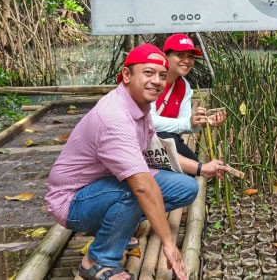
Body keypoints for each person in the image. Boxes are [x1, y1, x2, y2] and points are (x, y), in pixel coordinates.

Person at [47, 44, 221, 280]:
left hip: (107, 184)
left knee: (186, 188)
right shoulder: (114, 117)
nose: (157, 81)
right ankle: (97, 261)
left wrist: (201, 168)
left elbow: (157, 153)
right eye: (148, 73)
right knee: (136, 189)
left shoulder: (141, 106)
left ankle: (118, 225)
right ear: (127, 75)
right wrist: (169, 244)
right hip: (73, 201)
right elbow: (141, 185)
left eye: (161, 75)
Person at [150, 34, 226, 162]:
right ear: (165, 56)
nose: (187, 61)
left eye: (190, 57)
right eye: (180, 55)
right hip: (142, 142)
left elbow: (184, 123)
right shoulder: (152, 81)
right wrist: (188, 122)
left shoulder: (184, 86)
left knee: (189, 159)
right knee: (191, 162)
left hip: (164, 142)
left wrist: (203, 122)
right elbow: (149, 122)